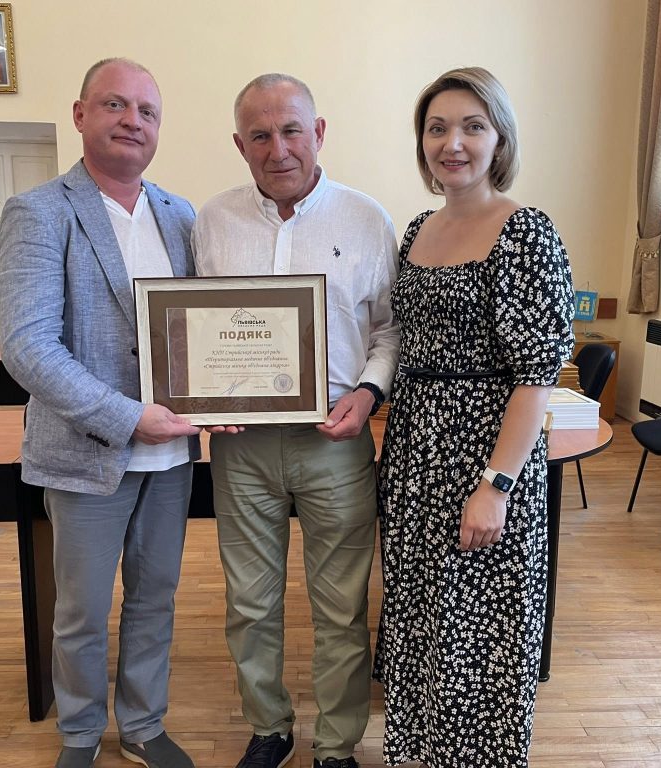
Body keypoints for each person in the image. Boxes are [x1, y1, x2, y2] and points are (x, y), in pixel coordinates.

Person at [0, 58, 203, 768]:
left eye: (147, 111)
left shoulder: (181, 215)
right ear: (81, 114)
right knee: (81, 610)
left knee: (155, 598)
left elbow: (202, 331)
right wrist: (125, 417)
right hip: (86, 451)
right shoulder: (40, 211)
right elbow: (27, 347)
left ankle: (142, 724)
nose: (132, 121)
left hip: (170, 456)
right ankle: (81, 734)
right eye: (115, 104)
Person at [192, 73, 400, 768]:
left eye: (290, 130)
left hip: (335, 442)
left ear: (319, 132)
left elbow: (389, 330)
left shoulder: (366, 219)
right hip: (241, 447)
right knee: (249, 602)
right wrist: (200, 395)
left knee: (341, 606)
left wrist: (368, 394)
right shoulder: (212, 221)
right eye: (260, 135)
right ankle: (270, 728)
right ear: (239, 144)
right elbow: (192, 328)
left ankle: (336, 745)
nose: (277, 149)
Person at [373, 67, 575, 768]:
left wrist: (495, 486)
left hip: (483, 456)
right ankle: (422, 752)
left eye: (471, 126)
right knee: (422, 619)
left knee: (481, 630)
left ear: (499, 139)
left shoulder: (525, 232)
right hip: (414, 455)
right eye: (437, 128)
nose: (451, 143)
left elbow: (536, 378)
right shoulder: (418, 229)